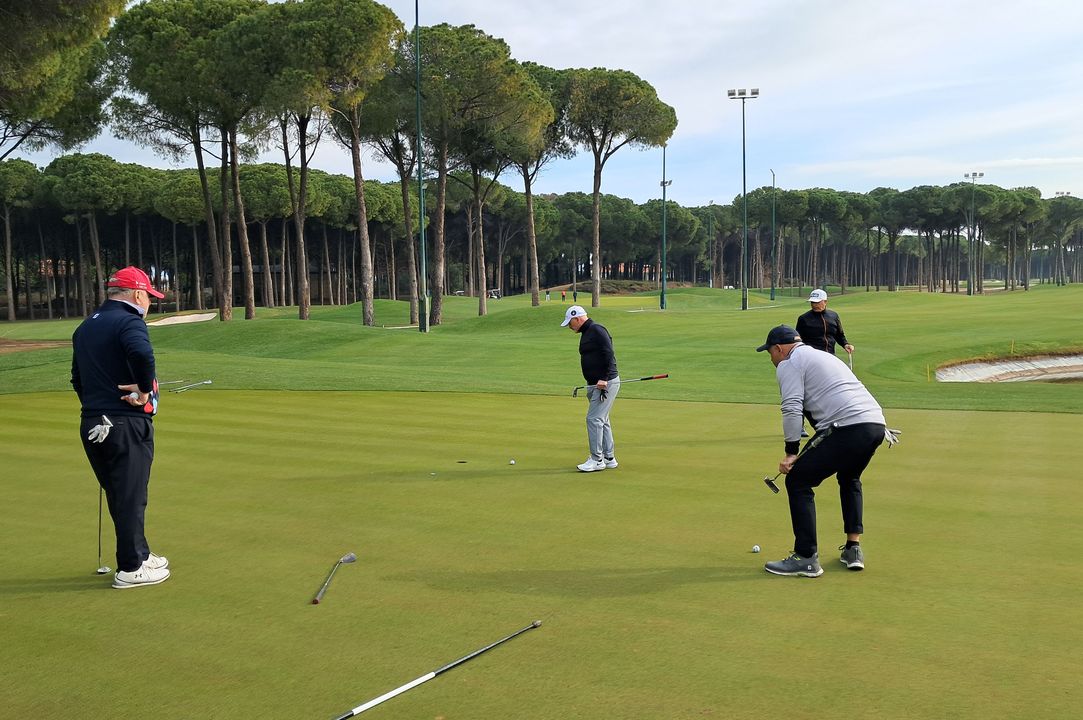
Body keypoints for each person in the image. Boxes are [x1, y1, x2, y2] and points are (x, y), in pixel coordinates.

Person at [755, 324, 889, 578]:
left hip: (848, 426)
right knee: (849, 478)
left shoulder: (789, 362)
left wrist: (791, 452)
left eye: (770, 353)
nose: (771, 359)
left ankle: (806, 557)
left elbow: (792, 407)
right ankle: (853, 548)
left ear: (779, 348)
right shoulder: (821, 355)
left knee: (798, 480)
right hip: (874, 424)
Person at [71, 267, 170, 589]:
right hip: (125, 423)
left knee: (120, 493)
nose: (149, 304)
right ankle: (130, 568)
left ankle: (138, 552)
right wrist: (143, 390)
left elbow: (77, 378)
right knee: (131, 496)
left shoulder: (86, 327)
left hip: (92, 423)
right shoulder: (129, 321)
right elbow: (142, 353)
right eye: (149, 298)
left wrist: (97, 405)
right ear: (138, 294)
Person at [561, 305, 620, 472]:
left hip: (605, 384)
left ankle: (597, 459)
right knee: (602, 419)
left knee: (593, 419)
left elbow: (609, 353)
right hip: (594, 383)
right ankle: (609, 458)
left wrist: (605, 378)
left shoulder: (597, 330)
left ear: (577, 318)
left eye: (570, 323)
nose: (569, 327)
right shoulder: (587, 333)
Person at [795, 289, 853, 358]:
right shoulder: (803, 318)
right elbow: (798, 340)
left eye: (817, 302)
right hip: (812, 357)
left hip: (830, 355)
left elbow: (839, 335)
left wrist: (845, 344)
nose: (814, 305)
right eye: (812, 302)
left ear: (825, 302)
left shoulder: (834, 316)